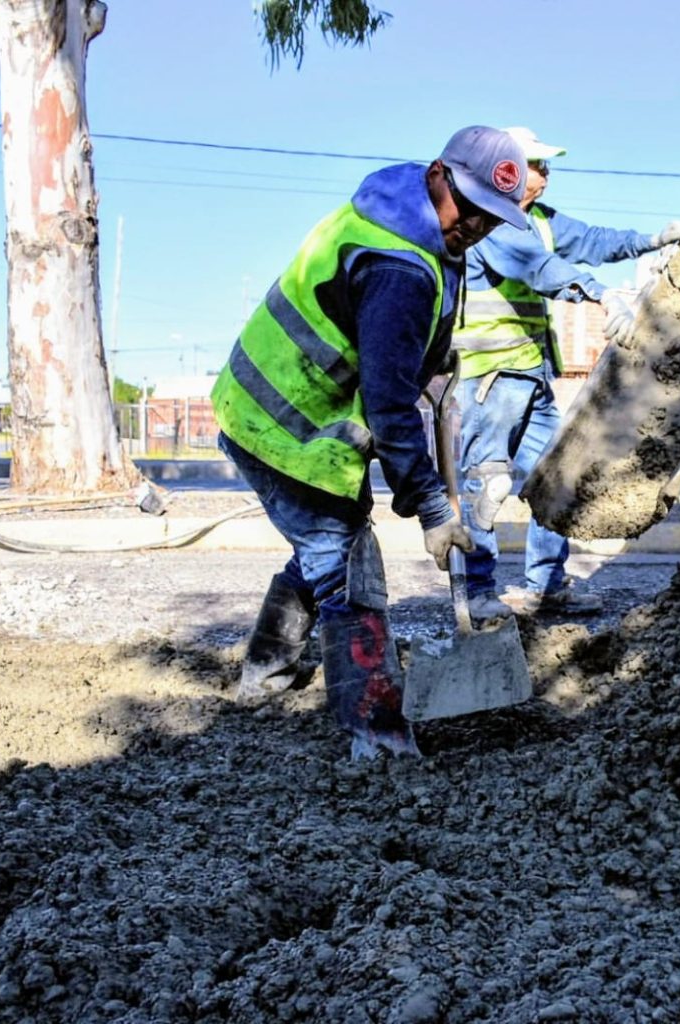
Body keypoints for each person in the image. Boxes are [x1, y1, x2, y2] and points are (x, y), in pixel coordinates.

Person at [212, 125, 530, 760]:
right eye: (468, 208)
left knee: (325, 548)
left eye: (491, 219)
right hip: (284, 425)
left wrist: (435, 368)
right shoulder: (398, 267)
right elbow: (389, 405)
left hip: (287, 414)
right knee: (348, 567)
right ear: (439, 174)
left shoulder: (411, 212)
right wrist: (434, 510)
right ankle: (378, 738)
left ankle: (265, 674)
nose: (474, 226)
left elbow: (409, 368)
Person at [452, 126, 680, 620]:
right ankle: (474, 594)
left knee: (556, 479)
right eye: (537, 167)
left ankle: (547, 585)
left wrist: (652, 239)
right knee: (485, 485)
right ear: (507, 171)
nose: (545, 177)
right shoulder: (491, 221)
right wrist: (601, 293)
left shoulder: (538, 219)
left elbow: (595, 240)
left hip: (531, 375)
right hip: (490, 377)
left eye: (546, 168)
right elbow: (538, 268)